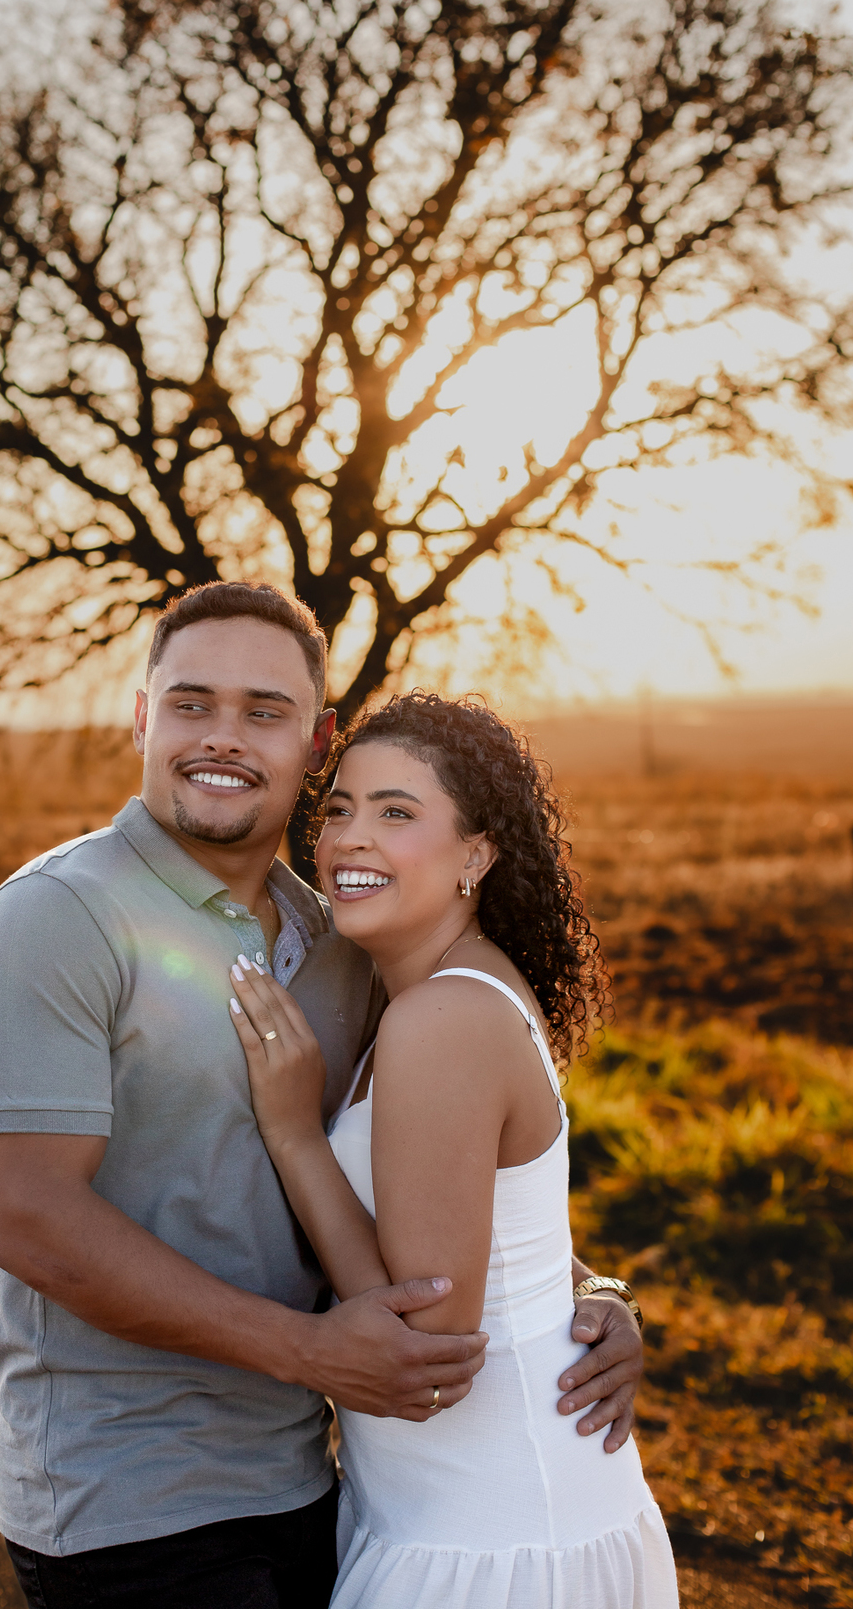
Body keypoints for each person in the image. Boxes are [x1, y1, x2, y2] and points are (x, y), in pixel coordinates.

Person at [0, 582, 647, 1609]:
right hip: (129, 1496)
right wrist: (310, 1351)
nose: (222, 737)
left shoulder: (340, 943)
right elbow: (31, 1221)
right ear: (143, 718)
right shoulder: (54, 920)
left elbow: (443, 1181)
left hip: (313, 1481)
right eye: (191, 704)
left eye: (264, 711)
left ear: (315, 742)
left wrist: (588, 1293)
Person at [227, 688, 677, 1607]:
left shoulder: (443, 1016)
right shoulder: (441, 992)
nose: (351, 838)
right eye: (340, 808)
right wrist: (602, 1289)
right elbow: (501, 1235)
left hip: (494, 1541)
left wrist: (295, 1134)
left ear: (478, 853)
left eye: (397, 813)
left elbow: (428, 1347)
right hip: (460, 1510)